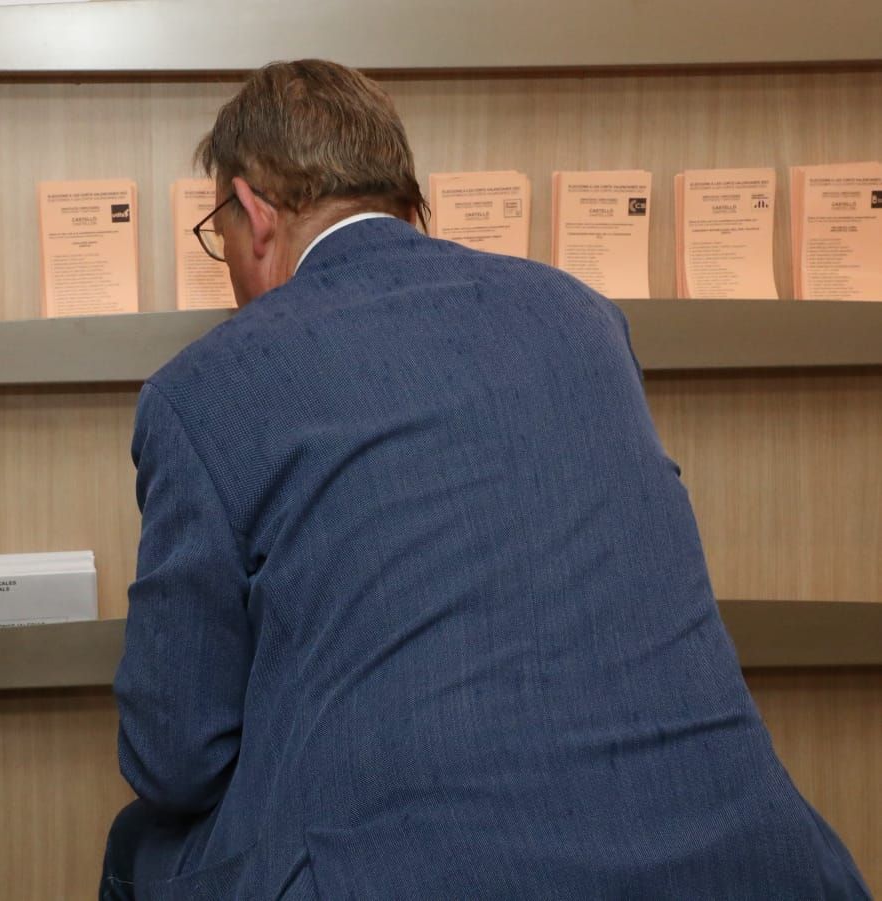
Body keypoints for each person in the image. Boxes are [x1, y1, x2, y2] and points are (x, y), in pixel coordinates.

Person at [102, 60, 870, 900]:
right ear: (404, 196)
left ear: (252, 213)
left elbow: (174, 756)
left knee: (142, 840)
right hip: (756, 861)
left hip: (411, 875)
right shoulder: (578, 315)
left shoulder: (205, 386)